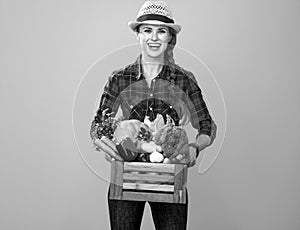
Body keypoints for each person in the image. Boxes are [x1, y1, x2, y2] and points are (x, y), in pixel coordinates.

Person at [90, 1, 216, 229]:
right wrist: (103, 142)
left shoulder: (184, 79)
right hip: (127, 174)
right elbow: (98, 124)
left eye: (161, 31)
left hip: (169, 175)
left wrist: (194, 147)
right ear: (137, 35)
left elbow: (207, 126)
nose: (154, 37)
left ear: (169, 38)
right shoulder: (119, 78)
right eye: (147, 30)